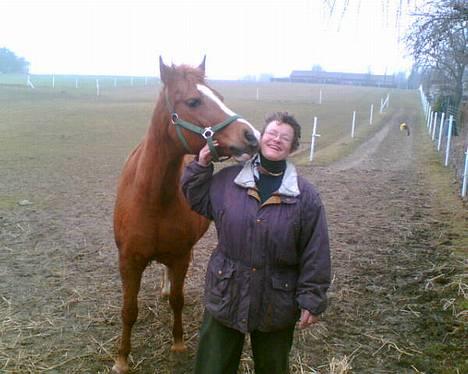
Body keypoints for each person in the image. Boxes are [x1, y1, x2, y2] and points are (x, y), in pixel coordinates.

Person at [181, 112, 331, 374]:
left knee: (273, 368)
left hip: (276, 300)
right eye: (272, 133)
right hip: (226, 291)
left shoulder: (305, 196)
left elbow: (315, 250)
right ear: (261, 138)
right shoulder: (228, 180)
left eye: (285, 137)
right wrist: (202, 163)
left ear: (293, 147)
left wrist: (312, 297)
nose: (277, 140)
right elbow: (197, 199)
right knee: (212, 368)